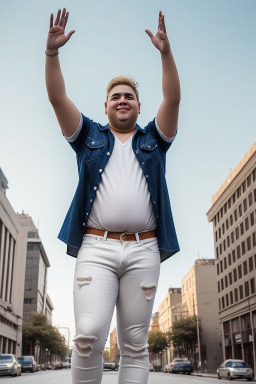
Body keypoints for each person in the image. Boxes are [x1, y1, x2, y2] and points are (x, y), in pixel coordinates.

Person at [45, 8, 180, 384]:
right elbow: (57, 99)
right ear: (105, 106)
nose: (123, 100)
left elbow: (173, 100)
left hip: (144, 250)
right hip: (96, 247)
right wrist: (52, 54)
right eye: (116, 97)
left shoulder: (154, 139)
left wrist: (165, 54)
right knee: (88, 335)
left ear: (139, 105)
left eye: (130, 97)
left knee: (135, 344)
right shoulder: (89, 135)